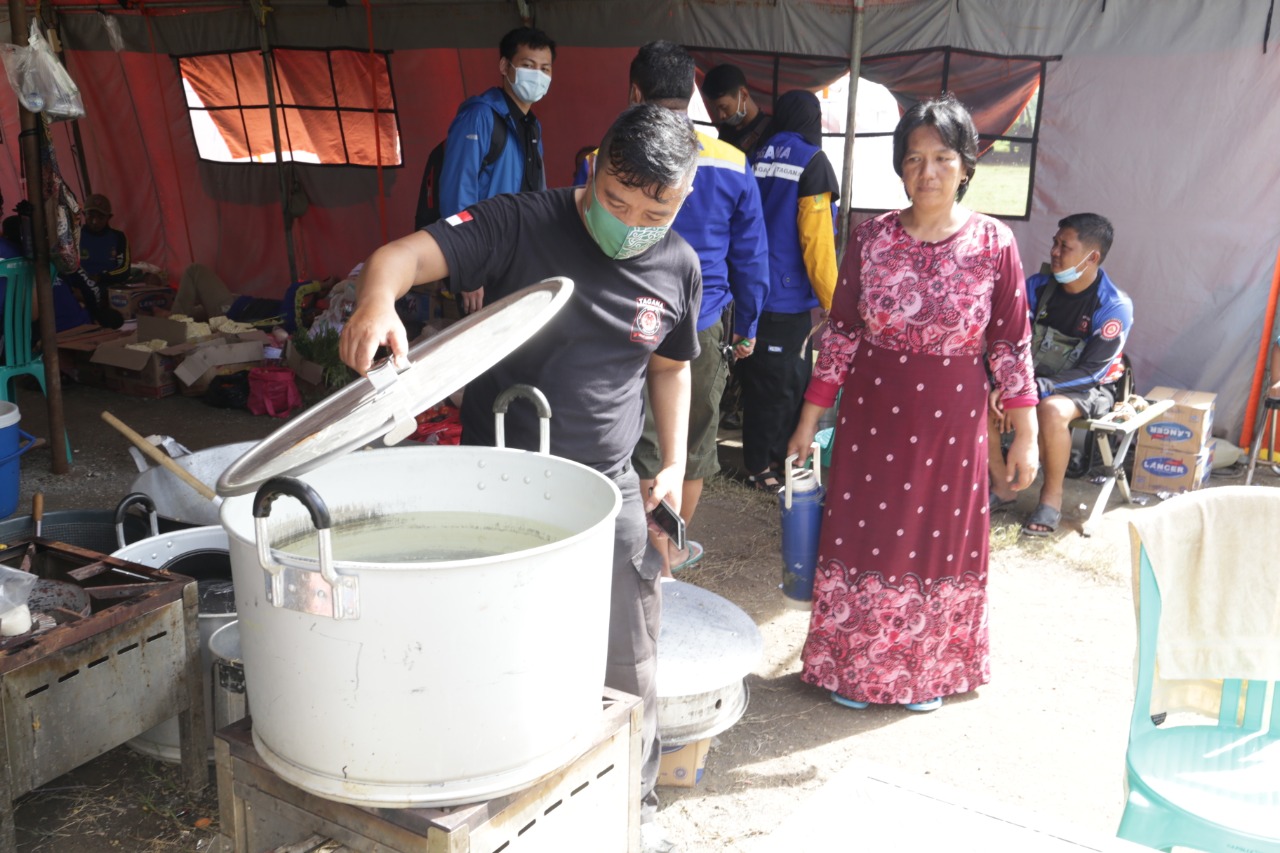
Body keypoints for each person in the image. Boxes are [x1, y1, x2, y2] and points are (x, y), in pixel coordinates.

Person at [339, 103, 701, 853]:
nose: (632, 223)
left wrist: (671, 461)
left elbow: (670, 368)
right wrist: (379, 299)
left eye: (654, 210)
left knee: (628, 656)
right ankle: (497, 801)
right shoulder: (519, 223)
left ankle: (634, 807)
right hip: (495, 488)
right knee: (490, 650)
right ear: (592, 168)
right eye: (617, 202)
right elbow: (400, 257)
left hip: (607, 491)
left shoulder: (677, 265)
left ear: (684, 196)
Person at [786, 94, 1039, 713]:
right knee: (862, 533)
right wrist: (809, 419)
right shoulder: (872, 239)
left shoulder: (992, 243)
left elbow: (1010, 344)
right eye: (914, 159)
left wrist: (1026, 433)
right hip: (873, 416)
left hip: (953, 424)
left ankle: (926, 675)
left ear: (966, 164)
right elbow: (841, 334)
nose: (928, 172)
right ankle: (850, 668)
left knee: (935, 539)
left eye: (942, 157)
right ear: (900, 167)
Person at [626, 40, 770, 574]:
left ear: (634, 92)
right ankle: (671, 551)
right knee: (687, 440)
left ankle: (644, 548)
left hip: (624, 322)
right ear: (691, 93)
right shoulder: (732, 162)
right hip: (700, 324)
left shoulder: (607, 157)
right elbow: (752, 258)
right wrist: (748, 326)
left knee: (639, 437)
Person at [988, 214, 1131, 536]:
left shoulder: (1112, 306)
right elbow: (1008, 340)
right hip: (1029, 378)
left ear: (1091, 257)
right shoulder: (1037, 287)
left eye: (1064, 246)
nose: (1054, 251)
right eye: (1055, 243)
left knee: (1052, 410)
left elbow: (1093, 371)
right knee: (981, 395)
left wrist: (1029, 389)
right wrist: (1003, 383)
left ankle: (1051, 498)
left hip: (1087, 386)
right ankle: (1003, 486)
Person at [741, 90, 838, 490]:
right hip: (786, 294)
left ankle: (764, 460)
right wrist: (835, 300)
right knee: (784, 383)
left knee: (759, 380)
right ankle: (766, 467)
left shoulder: (758, 154)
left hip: (752, 289)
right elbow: (817, 242)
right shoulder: (811, 162)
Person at [438, 26, 555, 314]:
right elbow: (457, 193)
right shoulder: (479, 116)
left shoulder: (532, 126)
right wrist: (467, 268)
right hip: (481, 263)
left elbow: (535, 195)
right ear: (505, 66)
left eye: (545, 69)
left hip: (515, 262)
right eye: (528, 65)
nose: (537, 75)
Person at [701, 64, 773, 160]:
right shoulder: (726, 130)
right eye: (716, 109)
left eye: (724, 107)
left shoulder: (770, 130)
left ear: (743, 94)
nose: (721, 116)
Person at [78, 193, 130, 287]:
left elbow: (125, 269)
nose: (95, 221)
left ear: (109, 217)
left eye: (101, 217)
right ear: (84, 214)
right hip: (81, 287)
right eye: (91, 216)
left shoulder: (118, 237)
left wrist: (101, 278)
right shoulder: (75, 236)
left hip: (109, 287)